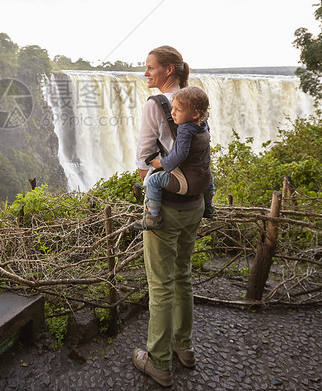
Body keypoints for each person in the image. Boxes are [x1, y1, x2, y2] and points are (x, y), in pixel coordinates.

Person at [131, 46, 214, 387]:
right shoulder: (197, 104)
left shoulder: (156, 105)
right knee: (183, 277)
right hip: (194, 204)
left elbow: (142, 160)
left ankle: (159, 362)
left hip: (165, 206)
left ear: (169, 69)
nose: (146, 74)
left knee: (160, 286)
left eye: (150, 68)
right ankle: (185, 348)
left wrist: (151, 196)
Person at [135, 86, 212, 231]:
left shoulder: (184, 130)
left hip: (186, 184)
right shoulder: (203, 125)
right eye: (173, 108)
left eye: (178, 110)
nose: (172, 113)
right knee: (208, 171)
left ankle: (152, 217)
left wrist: (161, 163)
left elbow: (179, 155)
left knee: (154, 180)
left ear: (195, 114)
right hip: (204, 182)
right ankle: (209, 205)